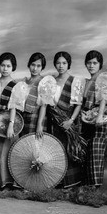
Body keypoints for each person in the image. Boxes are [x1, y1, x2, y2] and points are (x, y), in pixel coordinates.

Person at [46, 51, 86, 188]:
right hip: (53, 122)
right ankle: (57, 183)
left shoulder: (74, 81)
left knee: (69, 150)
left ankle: (71, 184)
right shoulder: (51, 81)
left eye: (64, 63)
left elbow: (78, 104)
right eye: (58, 63)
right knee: (56, 151)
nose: (61, 66)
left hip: (68, 121)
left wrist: (70, 121)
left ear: (68, 64)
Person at [0, 52, 20, 190]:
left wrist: (11, 125)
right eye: (2, 65)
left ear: (13, 67)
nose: (5, 68)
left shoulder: (16, 85)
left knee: (7, 152)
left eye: (8, 66)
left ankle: (8, 184)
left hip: (9, 121)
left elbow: (13, 106)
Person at [81, 50, 107, 188]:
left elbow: (105, 98)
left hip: (100, 119)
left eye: (95, 63)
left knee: (96, 151)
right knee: (88, 152)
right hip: (88, 119)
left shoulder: (103, 77)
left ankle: (94, 187)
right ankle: (88, 187)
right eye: (89, 63)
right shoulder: (88, 81)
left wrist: (99, 117)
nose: (91, 65)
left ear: (100, 64)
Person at [19, 52, 47, 137]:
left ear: (42, 67)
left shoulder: (44, 82)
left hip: (36, 117)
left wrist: (39, 124)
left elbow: (43, 105)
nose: (35, 68)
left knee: (35, 146)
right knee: (23, 145)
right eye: (33, 65)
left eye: (38, 66)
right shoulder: (24, 81)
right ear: (29, 65)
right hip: (23, 117)